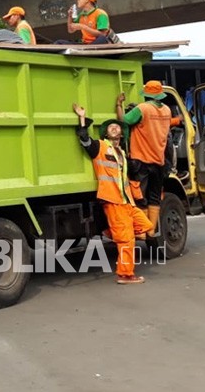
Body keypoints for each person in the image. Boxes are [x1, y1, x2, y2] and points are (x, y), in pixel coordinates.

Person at [73, 103, 153, 284]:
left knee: (146, 225)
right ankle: (125, 274)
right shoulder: (101, 147)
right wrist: (82, 118)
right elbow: (84, 139)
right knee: (127, 240)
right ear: (106, 134)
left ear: (122, 134)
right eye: (111, 127)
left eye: (117, 126)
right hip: (113, 201)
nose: (115, 127)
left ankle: (113, 232)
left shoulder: (122, 153)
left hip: (127, 202)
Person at [117, 81, 175, 237]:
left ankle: (141, 232)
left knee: (140, 195)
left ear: (147, 94)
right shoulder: (167, 111)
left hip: (140, 161)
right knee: (154, 197)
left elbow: (124, 121)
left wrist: (118, 105)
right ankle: (151, 230)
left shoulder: (143, 109)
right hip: (159, 160)